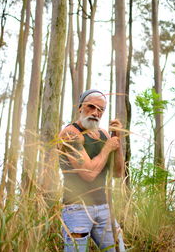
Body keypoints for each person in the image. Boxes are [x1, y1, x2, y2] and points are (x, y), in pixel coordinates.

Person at [58, 89, 126, 252]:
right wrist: (107, 148)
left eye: (101, 110)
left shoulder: (103, 134)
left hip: (104, 207)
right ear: (80, 107)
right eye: (91, 107)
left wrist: (117, 139)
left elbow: (117, 173)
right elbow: (88, 174)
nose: (96, 113)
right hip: (77, 209)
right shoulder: (70, 134)